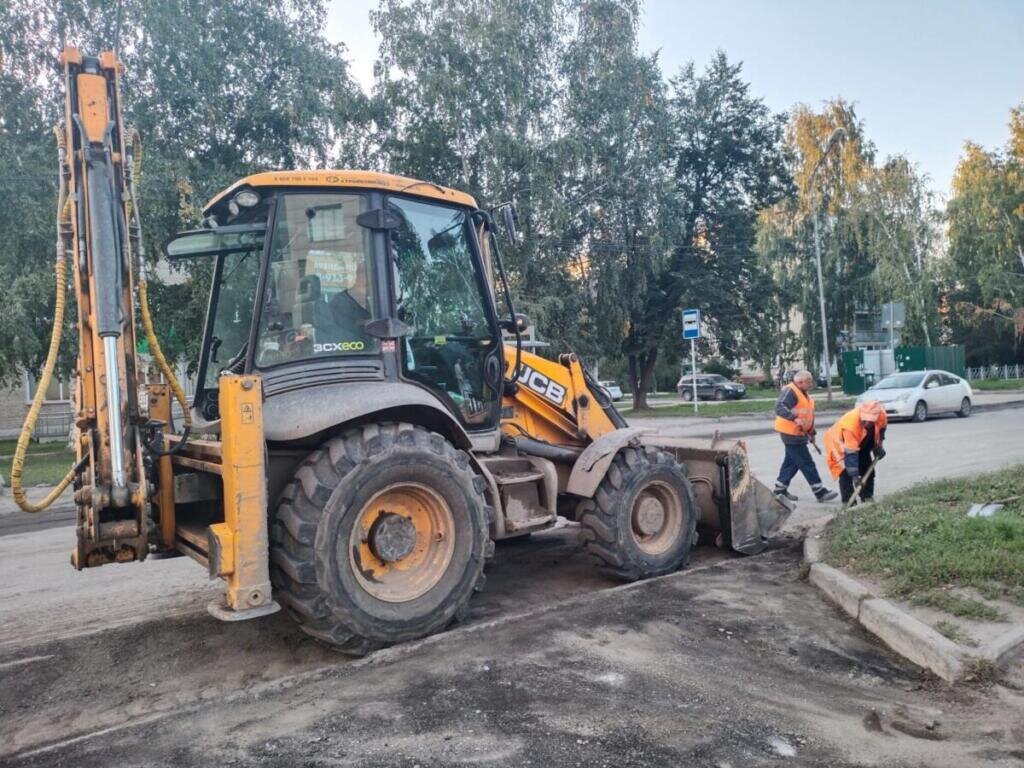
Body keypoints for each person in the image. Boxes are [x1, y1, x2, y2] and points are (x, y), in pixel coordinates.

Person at [773, 370, 837, 502]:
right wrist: (794, 418)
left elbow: (808, 416)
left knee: (792, 462)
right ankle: (820, 492)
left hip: (799, 433)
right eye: (809, 381)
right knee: (806, 462)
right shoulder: (790, 391)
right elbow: (779, 406)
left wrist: (811, 432)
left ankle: (780, 490)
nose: (812, 383)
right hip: (790, 432)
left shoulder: (805, 394)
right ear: (800, 382)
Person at [823, 400, 888, 504]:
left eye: (871, 421)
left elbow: (881, 429)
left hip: (861, 439)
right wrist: (854, 476)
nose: (867, 423)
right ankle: (849, 502)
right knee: (846, 473)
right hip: (839, 444)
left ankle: (867, 498)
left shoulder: (881, 415)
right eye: (865, 420)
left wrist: (879, 446)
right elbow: (851, 453)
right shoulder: (851, 425)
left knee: (867, 468)